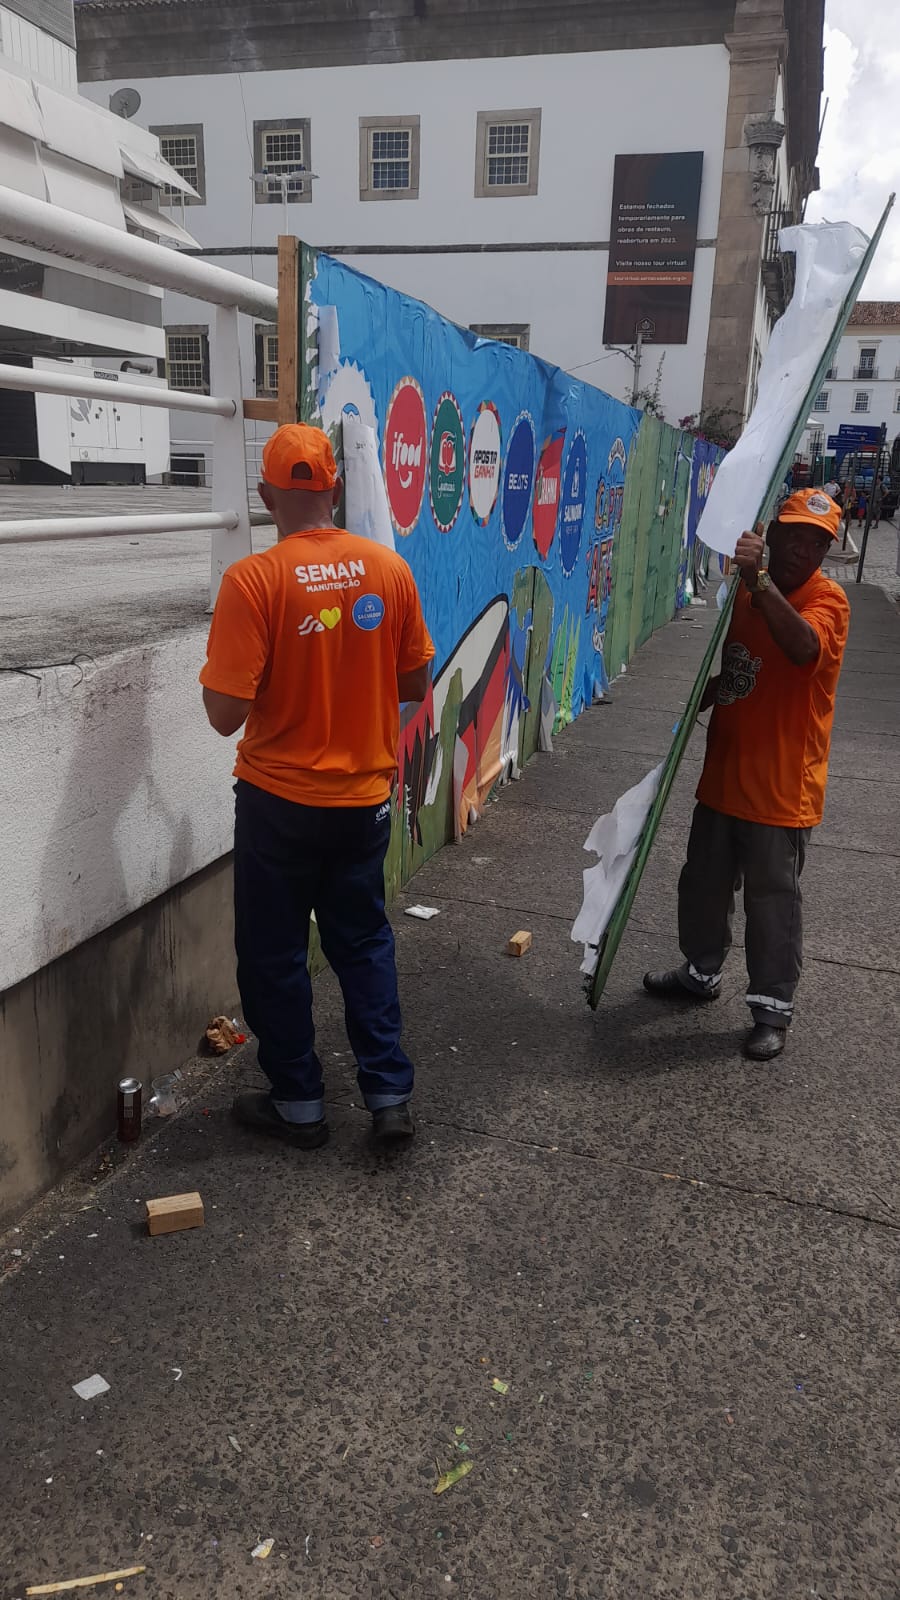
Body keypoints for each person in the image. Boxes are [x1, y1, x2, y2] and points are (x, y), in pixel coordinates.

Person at [200, 423, 435, 1147]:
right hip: (362, 801)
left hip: (278, 803)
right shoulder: (387, 570)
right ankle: (388, 1095)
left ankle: (299, 1105)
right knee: (362, 943)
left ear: (267, 496)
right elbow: (416, 683)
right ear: (332, 489)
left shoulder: (253, 580)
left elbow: (222, 716)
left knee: (274, 953)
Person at [643, 488, 850, 1061]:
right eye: (793, 535)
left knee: (772, 903)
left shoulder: (826, 600)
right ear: (772, 533)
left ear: (827, 551)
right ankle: (701, 971)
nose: (801, 550)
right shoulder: (744, 587)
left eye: (817, 542)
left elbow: (804, 648)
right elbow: (740, 660)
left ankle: (771, 1011)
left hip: (781, 788)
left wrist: (760, 583)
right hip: (725, 772)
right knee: (702, 884)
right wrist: (706, 698)